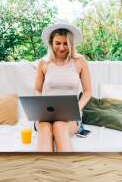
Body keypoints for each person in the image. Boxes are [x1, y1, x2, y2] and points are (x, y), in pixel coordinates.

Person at [34, 20, 92, 152]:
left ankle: (64, 170)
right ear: (51, 42)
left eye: (66, 43)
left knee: (59, 126)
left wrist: (76, 110)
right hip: (46, 114)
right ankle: (42, 171)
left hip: (71, 115)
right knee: (45, 130)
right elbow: (37, 90)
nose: (61, 48)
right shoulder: (43, 63)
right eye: (58, 43)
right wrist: (40, 106)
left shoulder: (80, 61)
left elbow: (87, 92)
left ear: (71, 43)